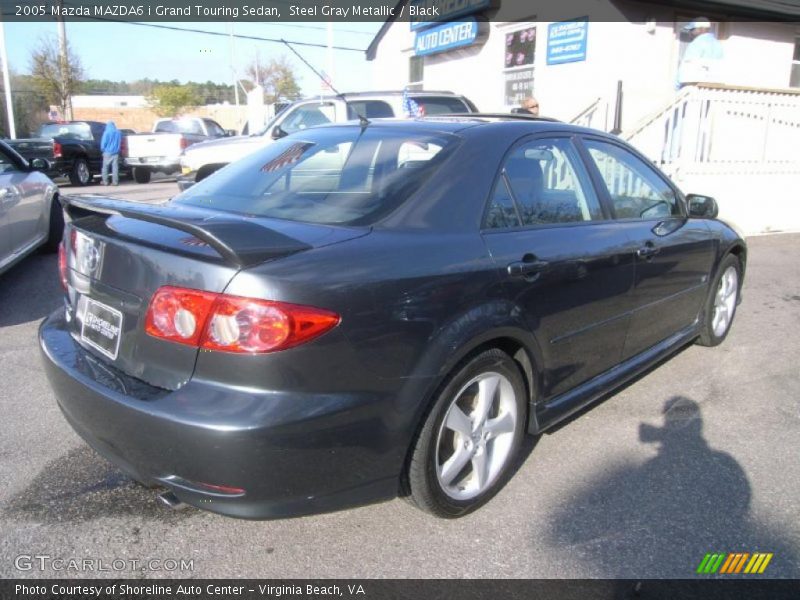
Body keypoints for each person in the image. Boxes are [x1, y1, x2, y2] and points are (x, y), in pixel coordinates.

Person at [676, 18, 723, 89]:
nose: (690, 33)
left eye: (692, 30)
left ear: (701, 29)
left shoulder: (696, 43)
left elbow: (686, 68)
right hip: (712, 90)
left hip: (694, 89)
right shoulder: (719, 45)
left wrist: (677, 86)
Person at [100, 120, 122, 186]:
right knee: (115, 168)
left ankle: (105, 181)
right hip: (116, 152)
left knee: (105, 168)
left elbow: (103, 143)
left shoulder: (106, 132)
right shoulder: (118, 132)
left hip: (107, 152)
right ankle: (115, 182)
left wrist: (102, 149)